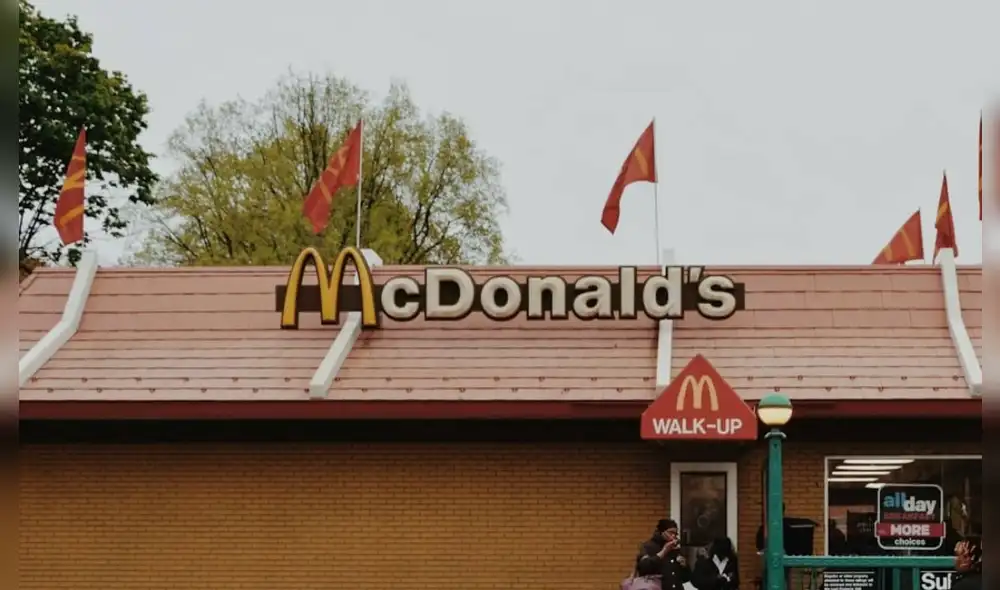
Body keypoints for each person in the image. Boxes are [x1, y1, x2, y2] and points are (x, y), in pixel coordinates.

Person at [637, 519, 691, 590]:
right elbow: (643, 568)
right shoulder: (648, 546)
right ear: (661, 531)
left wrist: (684, 566)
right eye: (670, 532)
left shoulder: (675, 549)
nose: (673, 536)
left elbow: (685, 578)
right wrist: (663, 552)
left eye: (675, 533)